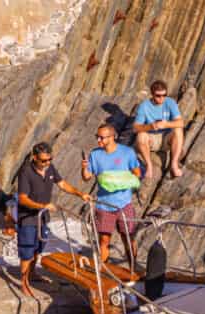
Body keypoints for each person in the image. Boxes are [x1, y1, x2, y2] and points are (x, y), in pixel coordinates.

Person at [15, 142, 91, 298]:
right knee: (27, 250)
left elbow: (62, 184)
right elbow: (22, 199)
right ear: (35, 157)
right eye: (43, 160)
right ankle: (24, 283)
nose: (47, 163)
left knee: (39, 246)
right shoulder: (26, 172)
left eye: (50, 159)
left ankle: (33, 272)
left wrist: (79, 194)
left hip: (43, 216)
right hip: (28, 217)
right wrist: (43, 205)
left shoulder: (49, 168)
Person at [82, 123, 142, 272]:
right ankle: (103, 271)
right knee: (103, 240)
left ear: (112, 136)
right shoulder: (95, 154)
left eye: (101, 137)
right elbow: (87, 178)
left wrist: (118, 180)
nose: (98, 140)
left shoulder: (127, 153)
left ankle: (134, 268)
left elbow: (137, 173)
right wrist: (84, 167)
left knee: (128, 238)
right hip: (103, 204)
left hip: (124, 204)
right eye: (97, 137)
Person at [132, 80, 184, 179]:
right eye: (158, 96)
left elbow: (181, 122)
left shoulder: (170, 103)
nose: (161, 98)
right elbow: (135, 128)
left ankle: (174, 164)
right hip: (151, 139)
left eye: (164, 95)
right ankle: (149, 166)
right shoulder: (144, 106)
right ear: (152, 94)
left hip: (166, 139)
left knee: (178, 130)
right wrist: (150, 126)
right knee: (141, 135)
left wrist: (166, 124)